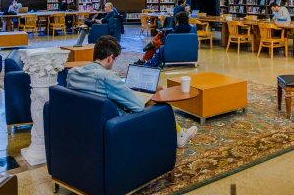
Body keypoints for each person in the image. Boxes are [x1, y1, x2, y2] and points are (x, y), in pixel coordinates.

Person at [67, 35, 197, 148]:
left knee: (155, 90)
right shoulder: (107, 77)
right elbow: (138, 106)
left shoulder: (72, 74)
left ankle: (179, 133)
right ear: (110, 58)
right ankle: (179, 135)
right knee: (159, 103)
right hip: (117, 124)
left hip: (87, 122)